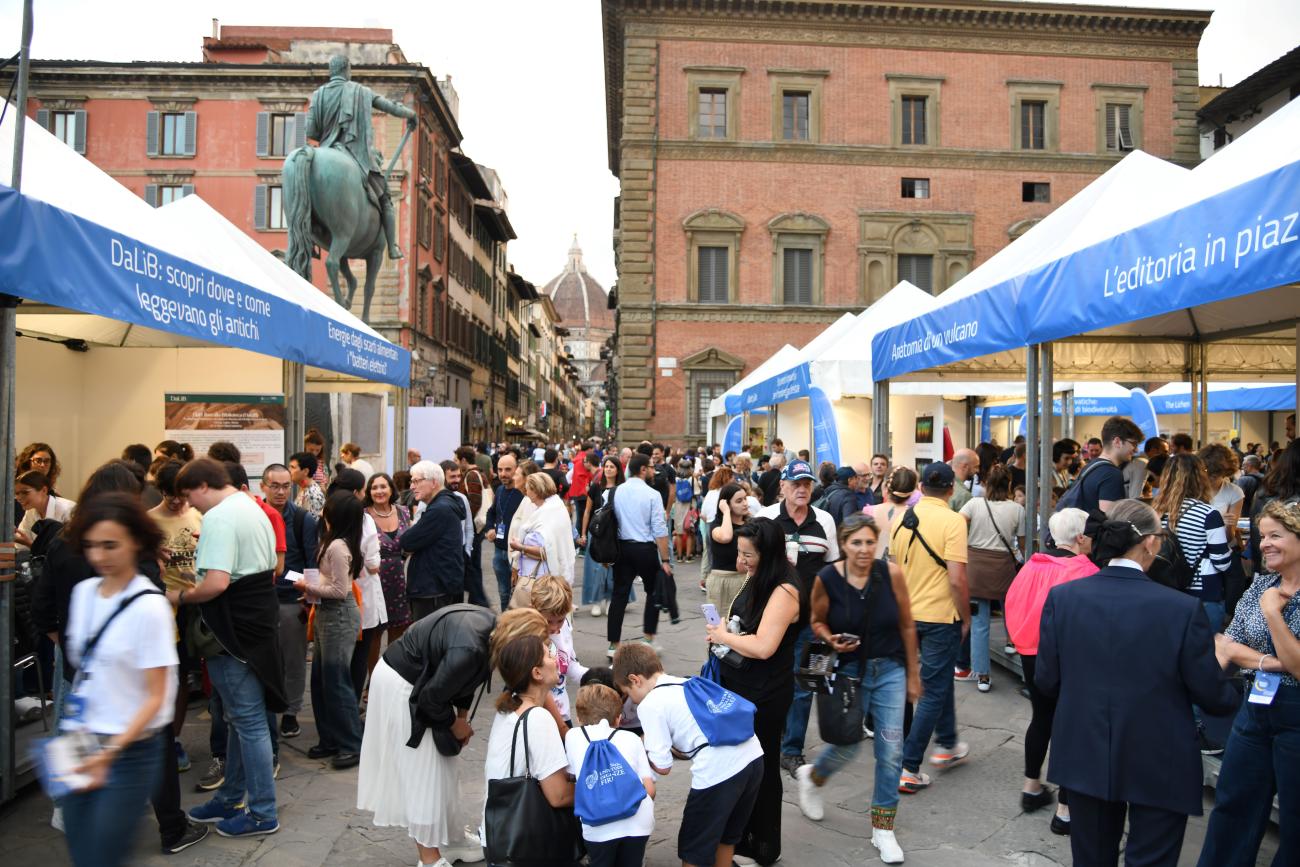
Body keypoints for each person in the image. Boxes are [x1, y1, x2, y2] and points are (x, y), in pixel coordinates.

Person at [1036, 499, 1237, 867]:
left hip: (1085, 744)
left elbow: (1046, 681)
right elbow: (1211, 695)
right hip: (1161, 752)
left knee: (1092, 858)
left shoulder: (1064, 598)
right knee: (1152, 858)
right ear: (1151, 542)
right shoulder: (1179, 608)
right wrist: (1224, 671)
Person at [60, 493, 179, 867]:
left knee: (102, 856)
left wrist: (109, 753)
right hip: (82, 741)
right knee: (80, 849)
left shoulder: (150, 606)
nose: (99, 556)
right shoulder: (83, 594)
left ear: (136, 542)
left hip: (128, 752)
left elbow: (157, 698)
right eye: (91, 545)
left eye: (110, 545)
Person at [170, 458, 285, 838]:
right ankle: (231, 799)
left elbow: (216, 583)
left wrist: (179, 595)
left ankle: (262, 812)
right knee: (242, 720)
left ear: (202, 486)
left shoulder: (219, 517)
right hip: (255, 626)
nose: (190, 507)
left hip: (230, 631)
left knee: (248, 722)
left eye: (189, 497)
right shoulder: (253, 508)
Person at [795, 515, 920, 864]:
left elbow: (908, 625)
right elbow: (816, 621)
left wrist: (913, 673)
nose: (864, 550)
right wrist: (829, 638)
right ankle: (814, 777)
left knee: (892, 749)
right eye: (856, 543)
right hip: (847, 670)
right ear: (844, 544)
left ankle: (883, 829)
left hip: (890, 669)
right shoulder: (827, 579)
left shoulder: (890, 574)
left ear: (877, 543)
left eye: (870, 542)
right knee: (847, 746)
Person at [1199, 498, 1300, 867]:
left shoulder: (1268, 597)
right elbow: (1223, 644)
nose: (1264, 544)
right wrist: (1271, 662)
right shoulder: (1262, 585)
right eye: (1261, 536)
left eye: (1276, 535)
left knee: (1295, 820)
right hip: (1256, 706)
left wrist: (1274, 614)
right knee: (1232, 803)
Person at [358, 604, 494, 867]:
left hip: (420, 681)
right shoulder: (472, 647)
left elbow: (464, 677)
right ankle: (429, 858)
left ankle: (453, 839)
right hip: (402, 682)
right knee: (423, 768)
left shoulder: (488, 635)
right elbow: (430, 699)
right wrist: (454, 723)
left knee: (444, 768)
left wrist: (462, 720)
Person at [703, 518, 803, 865]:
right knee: (740, 766)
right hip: (741, 684)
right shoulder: (758, 577)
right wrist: (726, 632)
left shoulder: (785, 589)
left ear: (769, 553)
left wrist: (724, 637)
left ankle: (760, 844)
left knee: (759, 768)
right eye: (740, 552)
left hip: (765, 692)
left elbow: (763, 646)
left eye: (748, 554)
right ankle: (739, 839)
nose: (741, 560)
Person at [615, 642, 763, 867]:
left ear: (635, 679)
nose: (631, 701)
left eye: (628, 693)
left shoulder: (650, 704)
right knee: (726, 837)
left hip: (719, 773)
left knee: (694, 849)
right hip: (753, 757)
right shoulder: (686, 682)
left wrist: (640, 746)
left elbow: (662, 766)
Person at [1004, 507, 1098, 836]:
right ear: (1081, 537)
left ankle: (1031, 786)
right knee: (1070, 727)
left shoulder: (1033, 564)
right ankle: (1065, 809)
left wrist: (1022, 641)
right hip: (1070, 658)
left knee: (1041, 716)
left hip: (1032, 653)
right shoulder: (1086, 571)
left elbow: (1012, 603)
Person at [891, 462, 971, 794]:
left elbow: (893, 570)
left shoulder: (899, 519)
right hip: (940, 617)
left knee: (933, 684)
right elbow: (956, 578)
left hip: (906, 615)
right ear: (951, 489)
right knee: (933, 690)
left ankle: (948, 741)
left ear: (920, 487)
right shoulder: (954, 521)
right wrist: (966, 616)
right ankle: (909, 767)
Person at [305, 54, 416, 260]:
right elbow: (389, 107)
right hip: (355, 153)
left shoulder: (318, 95)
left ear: (330, 71)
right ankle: (392, 247)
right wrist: (411, 115)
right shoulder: (361, 92)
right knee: (385, 199)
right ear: (347, 70)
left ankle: (309, 237)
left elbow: (310, 130)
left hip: (326, 148)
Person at [483, 635, 575, 862]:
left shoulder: (509, 705)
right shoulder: (537, 718)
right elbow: (559, 795)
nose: (555, 657)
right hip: (526, 845)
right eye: (548, 654)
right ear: (537, 673)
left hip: (498, 835)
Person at [290, 493, 365, 770]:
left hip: (338, 615)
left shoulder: (337, 546)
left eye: (328, 510)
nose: (323, 512)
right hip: (326, 613)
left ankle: (350, 744)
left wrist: (306, 587)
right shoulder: (336, 541)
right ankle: (331, 739)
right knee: (322, 681)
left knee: (336, 682)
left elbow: (339, 590)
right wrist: (311, 593)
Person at [147, 461, 204, 774]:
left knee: (183, 677)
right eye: (172, 497)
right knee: (161, 676)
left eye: (183, 495)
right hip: (161, 608)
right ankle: (161, 738)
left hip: (193, 606)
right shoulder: (149, 522)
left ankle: (175, 737)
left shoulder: (199, 517)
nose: (179, 502)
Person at [564, 683, 656, 867]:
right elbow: (650, 790)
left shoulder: (573, 736)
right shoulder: (632, 739)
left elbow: (571, 774)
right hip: (638, 823)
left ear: (579, 718)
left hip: (597, 826)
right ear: (619, 718)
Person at [261, 462, 319, 741]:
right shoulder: (255, 515)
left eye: (286, 486)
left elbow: (310, 563)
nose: (281, 491)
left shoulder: (302, 519)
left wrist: (304, 594)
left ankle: (291, 712)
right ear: (264, 487)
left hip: (290, 600)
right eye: (275, 486)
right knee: (264, 660)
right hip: (258, 601)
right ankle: (267, 710)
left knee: (294, 661)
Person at [958, 464, 1025, 692]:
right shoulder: (1017, 509)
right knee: (1010, 606)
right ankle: (1010, 641)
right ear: (1008, 484)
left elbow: (956, 524)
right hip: (1003, 566)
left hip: (975, 568)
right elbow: (1022, 543)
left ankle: (983, 675)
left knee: (979, 624)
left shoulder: (974, 504)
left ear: (985, 483)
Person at [1152, 454, 1233, 634]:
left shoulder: (1155, 513)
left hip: (1164, 591)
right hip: (1203, 593)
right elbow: (1221, 562)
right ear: (1199, 478)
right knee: (1203, 652)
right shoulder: (1209, 514)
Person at [607, 453, 676, 658]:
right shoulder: (652, 495)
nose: (654, 471)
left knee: (619, 594)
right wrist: (665, 560)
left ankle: (613, 644)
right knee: (653, 592)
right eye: (651, 467)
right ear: (643, 469)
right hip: (644, 549)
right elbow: (659, 530)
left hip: (621, 548)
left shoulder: (615, 492)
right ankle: (648, 638)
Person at [401, 461, 467, 621]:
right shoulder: (444, 504)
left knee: (429, 642)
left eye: (416, 481)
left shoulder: (439, 509)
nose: (411, 486)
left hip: (433, 591)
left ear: (434, 482)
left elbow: (407, 542)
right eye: (411, 481)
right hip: (439, 587)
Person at [365, 472, 413, 658]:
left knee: (398, 630)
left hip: (401, 579)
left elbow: (410, 542)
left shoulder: (403, 511)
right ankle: (372, 681)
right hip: (374, 580)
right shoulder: (364, 516)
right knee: (375, 632)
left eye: (383, 486)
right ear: (369, 492)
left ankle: (391, 675)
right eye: (374, 487)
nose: (379, 491)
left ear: (391, 489)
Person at [530, 575, 587, 723]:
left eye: (560, 620)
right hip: (538, 717)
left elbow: (569, 665)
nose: (555, 628)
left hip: (562, 712)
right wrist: (562, 728)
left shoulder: (565, 627)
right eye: (548, 621)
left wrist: (595, 677)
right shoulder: (528, 638)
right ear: (534, 609)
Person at [510, 472, 576, 599]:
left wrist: (521, 548)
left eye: (527, 488)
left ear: (535, 491)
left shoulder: (548, 513)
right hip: (537, 576)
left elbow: (548, 552)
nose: (526, 491)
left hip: (542, 580)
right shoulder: (555, 507)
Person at [1060, 416, 1143, 515]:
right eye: (1134, 444)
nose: (1136, 450)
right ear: (1117, 442)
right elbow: (1108, 519)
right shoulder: (1111, 474)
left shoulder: (1090, 467)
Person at [579, 456, 624, 617]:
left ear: (618, 469)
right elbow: (587, 511)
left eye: (612, 466)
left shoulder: (622, 489)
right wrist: (583, 533)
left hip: (615, 534)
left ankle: (611, 598)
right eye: (606, 466)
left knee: (614, 568)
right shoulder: (595, 487)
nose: (608, 469)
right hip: (597, 533)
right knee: (596, 568)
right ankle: (597, 601)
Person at [708, 482, 753, 619]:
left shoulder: (751, 524)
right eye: (739, 501)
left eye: (745, 498)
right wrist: (726, 512)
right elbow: (726, 536)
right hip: (720, 581)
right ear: (727, 504)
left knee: (742, 627)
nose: (745, 503)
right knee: (715, 625)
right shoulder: (716, 525)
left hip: (745, 579)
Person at [485, 452, 524, 609]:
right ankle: (505, 624)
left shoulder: (522, 492)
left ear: (516, 469)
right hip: (499, 551)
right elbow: (491, 512)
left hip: (516, 553)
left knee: (518, 594)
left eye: (508, 469)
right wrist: (489, 529)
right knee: (503, 593)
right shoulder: (500, 490)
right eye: (500, 469)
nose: (503, 474)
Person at [456, 445, 493, 608]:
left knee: (471, 565)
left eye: (457, 460)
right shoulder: (480, 473)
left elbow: (475, 501)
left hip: (475, 525)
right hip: (480, 525)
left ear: (464, 460)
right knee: (473, 564)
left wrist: (465, 521)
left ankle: (479, 600)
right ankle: (476, 599)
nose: (456, 463)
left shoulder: (471, 475)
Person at [14, 469, 75, 547]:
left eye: (25, 492)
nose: (18, 498)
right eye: (16, 493)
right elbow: (21, 547)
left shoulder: (68, 510)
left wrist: (29, 544)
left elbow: (66, 551)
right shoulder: (31, 511)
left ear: (44, 490)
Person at [869, 467, 919, 561]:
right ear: (912, 492)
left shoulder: (868, 512)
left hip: (873, 569)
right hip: (903, 571)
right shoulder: (916, 517)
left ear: (885, 486)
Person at [670, 460, 700, 563]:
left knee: (679, 533)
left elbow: (673, 493)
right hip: (690, 507)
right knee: (689, 532)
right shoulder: (692, 479)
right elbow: (696, 493)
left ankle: (679, 557)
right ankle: (688, 556)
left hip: (678, 506)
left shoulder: (676, 479)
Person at [289, 451, 326, 518]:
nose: (289, 470)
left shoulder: (313, 494)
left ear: (305, 471)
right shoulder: (305, 488)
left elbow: (312, 524)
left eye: (293, 467)